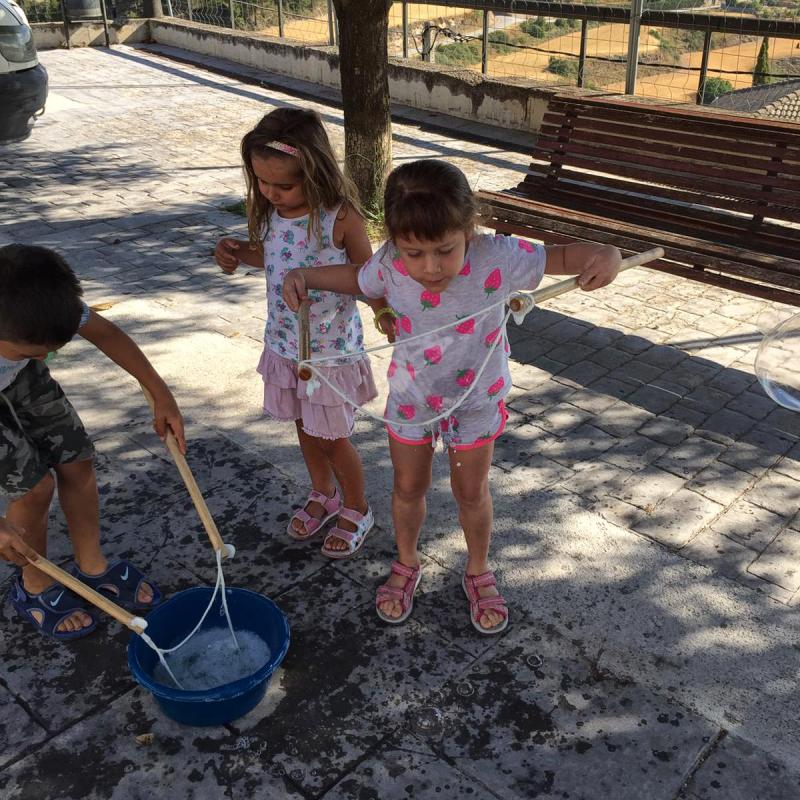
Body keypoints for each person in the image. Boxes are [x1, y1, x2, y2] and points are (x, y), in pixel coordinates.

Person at [283, 159, 622, 634]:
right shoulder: (387, 266)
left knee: (471, 492)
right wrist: (306, 276)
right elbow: (357, 280)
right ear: (395, 243)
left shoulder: (499, 256)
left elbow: (561, 256)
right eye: (413, 253)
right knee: (406, 488)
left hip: (476, 402)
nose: (429, 268)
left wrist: (604, 252)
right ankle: (406, 562)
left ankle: (478, 569)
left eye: (445, 250)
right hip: (412, 401)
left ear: (469, 229)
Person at [215, 107, 391, 559]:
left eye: (284, 185)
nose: (270, 193)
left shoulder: (340, 218)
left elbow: (367, 274)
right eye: (261, 182)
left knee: (332, 436)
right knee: (303, 425)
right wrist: (238, 252)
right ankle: (323, 493)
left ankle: (357, 507)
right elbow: (271, 257)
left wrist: (384, 312)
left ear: (314, 172)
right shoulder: (274, 212)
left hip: (329, 352)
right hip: (284, 345)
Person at [0, 244, 186, 641]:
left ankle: (92, 565)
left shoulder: (40, 308)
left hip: (19, 378)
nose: (49, 357)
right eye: (36, 351)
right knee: (34, 489)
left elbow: (105, 333)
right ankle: (35, 585)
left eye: (53, 350)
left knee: (76, 460)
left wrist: (159, 392)